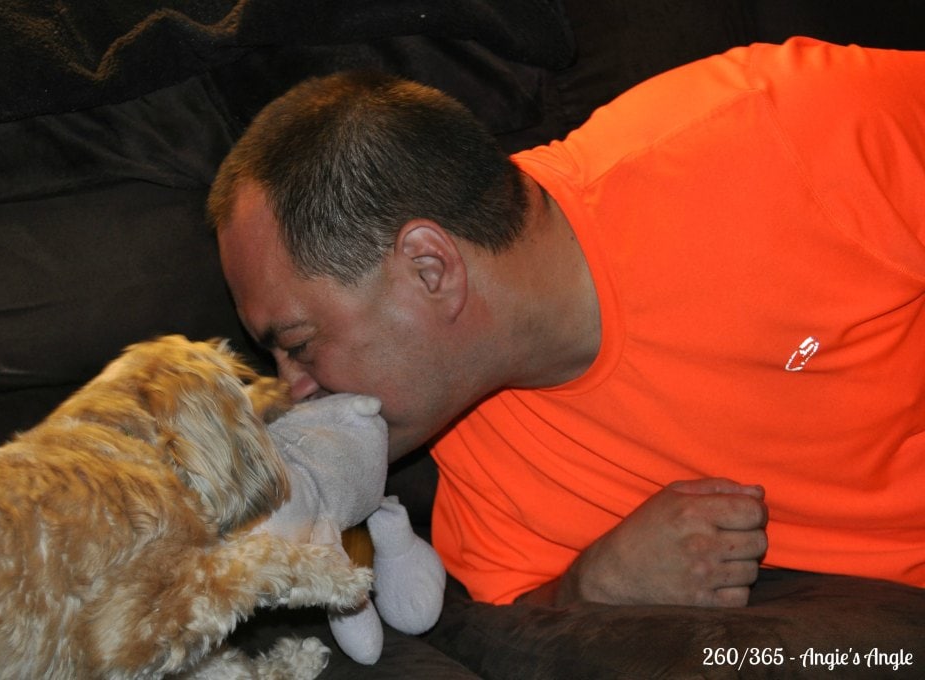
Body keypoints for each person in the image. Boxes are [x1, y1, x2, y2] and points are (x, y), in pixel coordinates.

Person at [209, 37, 925, 609]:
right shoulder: (470, 444)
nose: (293, 392)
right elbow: (521, 620)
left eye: (298, 345)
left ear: (431, 269)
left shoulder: (779, 129)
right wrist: (593, 585)